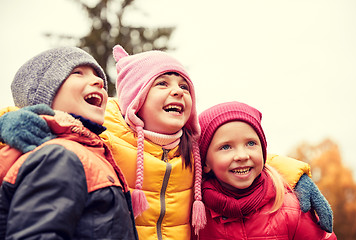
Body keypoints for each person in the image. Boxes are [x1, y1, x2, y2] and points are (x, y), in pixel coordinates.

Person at [0, 45, 333, 239]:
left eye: (184, 86)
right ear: (136, 99)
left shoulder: (194, 149)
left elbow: (238, 147)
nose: (177, 91)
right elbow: (58, 114)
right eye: (162, 83)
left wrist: (293, 173)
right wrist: (15, 117)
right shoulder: (108, 133)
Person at [0, 47, 138, 239]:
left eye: (98, 76)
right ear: (44, 95)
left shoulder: (91, 152)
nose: (99, 81)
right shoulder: (59, 156)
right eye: (78, 73)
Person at [195, 101, 336, 239]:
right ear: (205, 162)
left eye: (251, 143)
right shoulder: (195, 213)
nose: (242, 156)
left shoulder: (291, 206)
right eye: (226, 147)